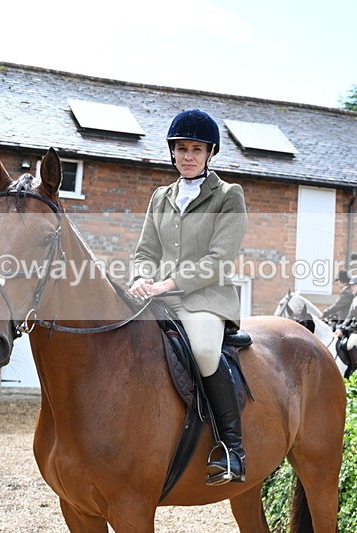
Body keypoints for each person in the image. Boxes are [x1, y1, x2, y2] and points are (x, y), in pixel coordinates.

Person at [129, 109, 248, 485]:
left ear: (210, 153)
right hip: (159, 295)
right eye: (181, 149)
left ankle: (233, 449)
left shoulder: (228, 195)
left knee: (205, 352)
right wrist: (141, 279)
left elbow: (218, 260)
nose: (188, 156)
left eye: (196, 149)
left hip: (205, 298)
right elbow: (145, 252)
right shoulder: (160, 197)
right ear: (172, 152)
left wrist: (168, 284)